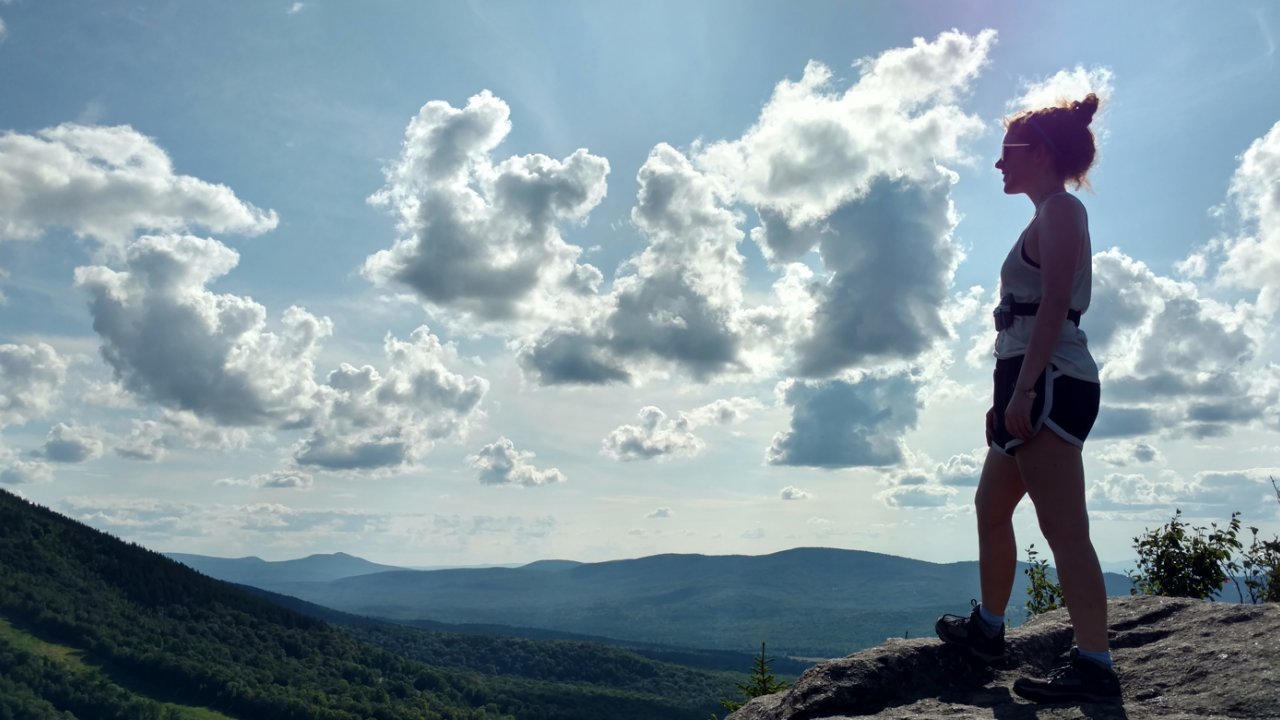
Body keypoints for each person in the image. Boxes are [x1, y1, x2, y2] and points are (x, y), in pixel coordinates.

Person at [934, 93, 1121, 705]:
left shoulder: (1063, 211)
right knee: (991, 504)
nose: (998, 165)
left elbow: (1051, 305)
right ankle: (989, 629)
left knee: (1064, 528)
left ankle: (1094, 663)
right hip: (1028, 378)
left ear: (1038, 153)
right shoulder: (1046, 215)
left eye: (1006, 153)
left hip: (1050, 379)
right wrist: (1006, 390)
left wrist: (1025, 387)